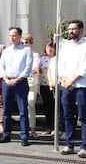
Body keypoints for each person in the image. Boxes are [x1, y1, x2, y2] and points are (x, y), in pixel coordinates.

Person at [0, 27, 33, 146]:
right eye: (10, 36)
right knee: (6, 110)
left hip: (20, 82)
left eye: (14, 35)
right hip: (6, 82)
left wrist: (17, 79)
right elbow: (1, 67)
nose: (12, 38)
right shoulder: (6, 51)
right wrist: (6, 79)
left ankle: (24, 136)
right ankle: (6, 134)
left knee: (22, 110)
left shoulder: (26, 50)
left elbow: (28, 68)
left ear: (19, 36)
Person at [58, 20, 86, 158]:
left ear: (81, 30)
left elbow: (84, 68)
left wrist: (72, 81)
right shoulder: (66, 46)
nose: (70, 32)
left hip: (81, 86)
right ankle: (70, 145)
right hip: (66, 86)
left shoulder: (85, 45)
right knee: (68, 116)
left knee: (84, 116)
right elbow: (60, 64)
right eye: (69, 29)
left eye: (74, 29)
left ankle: (84, 147)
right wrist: (64, 79)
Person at [22, 34, 40, 137]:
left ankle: (33, 128)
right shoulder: (20, 54)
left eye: (26, 42)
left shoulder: (35, 55)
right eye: (23, 43)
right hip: (21, 82)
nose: (25, 45)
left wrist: (23, 72)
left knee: (31, 104)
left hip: (32, 82)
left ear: (31, 43)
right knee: (23, 105)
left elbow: (34, 68)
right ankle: (24, 129)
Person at [38, 41, 56, 135]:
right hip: (44, 85)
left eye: (51, 47)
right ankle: (48, 127)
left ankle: (55, 127)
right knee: (47, 107)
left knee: (55, 107)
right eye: (48, 47)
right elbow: (37, 69)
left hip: (55, 86)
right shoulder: (41, 59)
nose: (49, 49)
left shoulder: (57, 59)